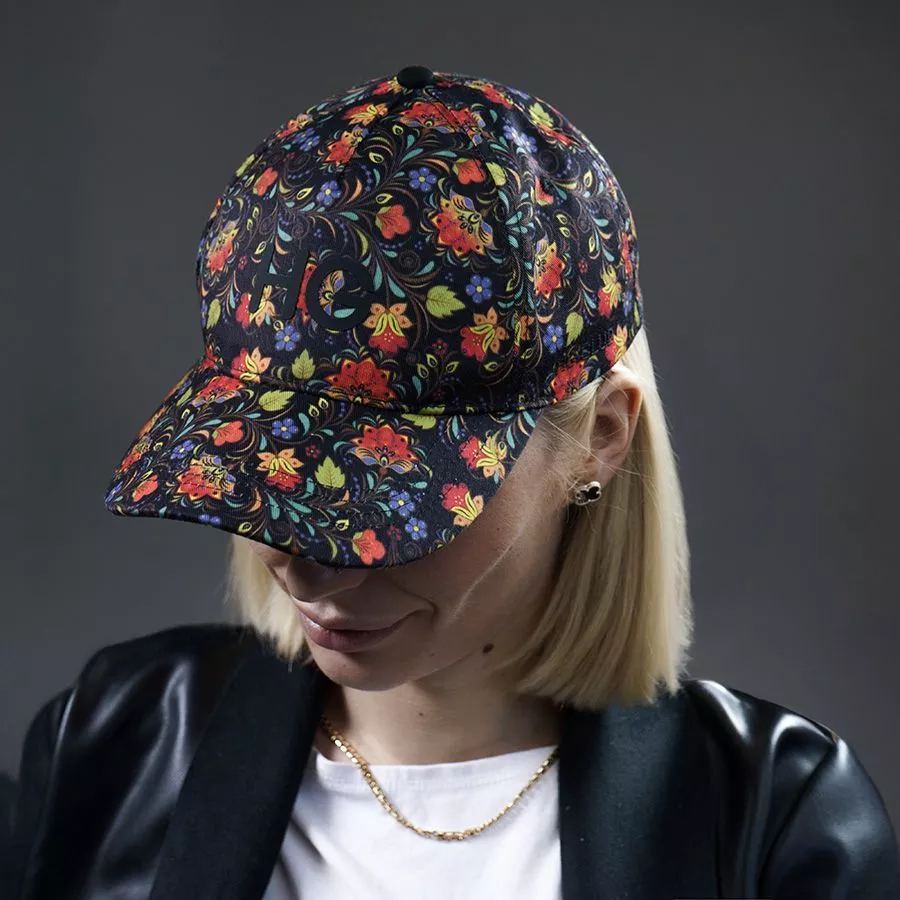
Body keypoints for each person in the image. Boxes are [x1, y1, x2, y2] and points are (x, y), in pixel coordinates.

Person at [3, 65, 899, 900]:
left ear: (601, 440)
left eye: (385, 495)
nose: (302, 563)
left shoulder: (777, 823)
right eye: (269, 471)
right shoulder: (112, 744)